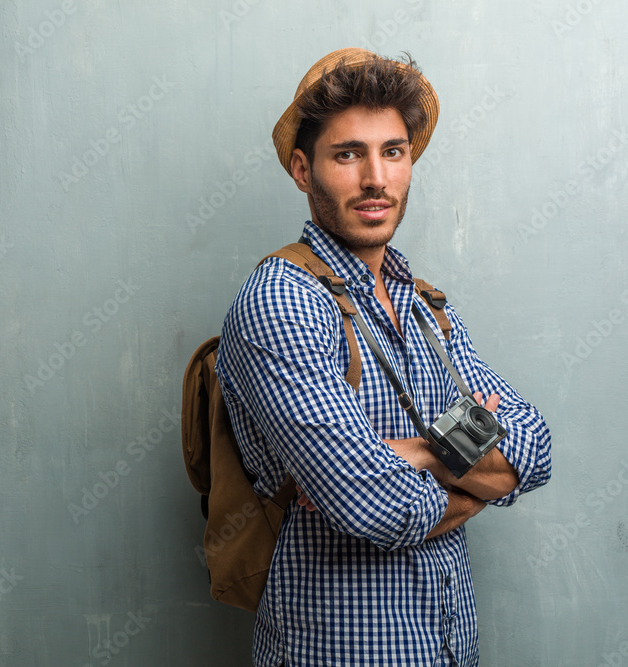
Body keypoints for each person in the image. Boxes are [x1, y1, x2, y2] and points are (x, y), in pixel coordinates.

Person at [214, 48, 552, 667]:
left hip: (447, 647)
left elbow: (532, 450)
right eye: (348, 154)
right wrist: (465, 472)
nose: (376, 178)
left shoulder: (423, 304)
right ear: (301, 169)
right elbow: (370, 504)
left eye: (392, 151)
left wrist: (411, 453)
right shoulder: (282, 301)